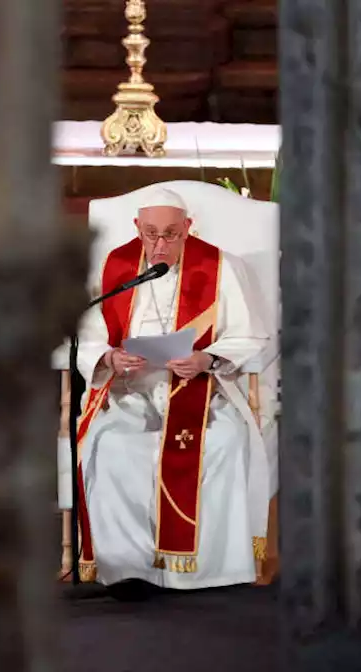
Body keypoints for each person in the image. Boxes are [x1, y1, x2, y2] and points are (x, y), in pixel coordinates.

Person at [72, 187, 272, 596]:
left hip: (201, 389)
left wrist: (208, 359)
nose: (160, 245)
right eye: (150, 234)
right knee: (113, 445)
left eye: (170, 235)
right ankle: (129, 569)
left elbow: (250, 334)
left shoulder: (221, 267)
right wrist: (110, 359)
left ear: (187, 229)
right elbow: (88, 333)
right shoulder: (114, 267)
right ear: (136, 229)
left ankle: (208, 571)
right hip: (132, 389)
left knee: (225, 441)